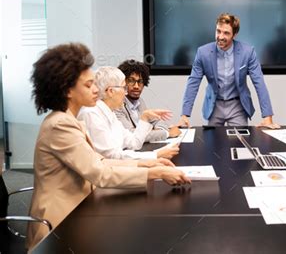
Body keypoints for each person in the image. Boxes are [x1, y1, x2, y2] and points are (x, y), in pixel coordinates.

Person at [27, 43, 190, 250]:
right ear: (67, 90)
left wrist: (148, 166)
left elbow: (100, 161)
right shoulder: (61, 124)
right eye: (88, 85)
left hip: (78, 209)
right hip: (59, 223)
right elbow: (100, 173)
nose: (97, 90)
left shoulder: (69, 119)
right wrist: (152, 172)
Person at [178, 13, 279, 127]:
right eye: (218, 31)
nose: (220, 37)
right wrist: (184, 115)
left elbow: (259, 82)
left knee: (240, 141)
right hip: (214, 105)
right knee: (213, 143)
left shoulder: (248, 52)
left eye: (226, 33)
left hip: (237, 105)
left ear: (234, 34)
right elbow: (193, 82)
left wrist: (267, 116)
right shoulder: (203, 53)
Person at [78, 67, 180, 160]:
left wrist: (144, 119)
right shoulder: (91, 114)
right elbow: (111, 156)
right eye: (124, 88)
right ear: (110, 91)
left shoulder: (110, 113)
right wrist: (156, 155)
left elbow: (134, 143)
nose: (126, 93)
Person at [115, 59, 181, 141]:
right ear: (123, 82)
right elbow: (132, 135)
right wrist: (167, 133)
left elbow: (157, 121)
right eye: (131, 81)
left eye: (140, 81)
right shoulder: (116, 104)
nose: (136, 86)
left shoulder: (140, 102)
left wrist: (157, 131)